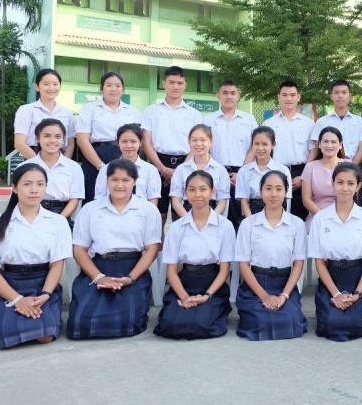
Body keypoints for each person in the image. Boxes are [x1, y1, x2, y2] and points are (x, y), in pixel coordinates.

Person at [0, 164, 71, 350]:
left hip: (42, 285)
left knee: (45, 335)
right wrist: (17, 299)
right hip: (8, 285)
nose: (34, 190)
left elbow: (57, 265)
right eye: (27, 184)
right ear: (14, 188)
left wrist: (45, 294)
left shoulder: (58, 222)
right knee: (4, 335)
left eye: (40, 184)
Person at [66, 159, 161, 339]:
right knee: (80, 322)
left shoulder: (147, 209)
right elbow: (79, 249)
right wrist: (99, 277)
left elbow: (152, 250)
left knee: (127, 321)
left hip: (133, 269)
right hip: (97, 269)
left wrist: (130, 278)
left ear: (135, 182)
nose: (119, 185)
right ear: (107, 180)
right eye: (114, 179)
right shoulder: (90, 209)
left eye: (126, 180)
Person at [153, 171, 236, 340]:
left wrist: (207, 296)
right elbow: (171, 271)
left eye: (203, 189)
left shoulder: (225, 226)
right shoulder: (177, 227)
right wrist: (184, 297)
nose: (197, 194)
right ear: (185, 193)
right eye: (191, 190)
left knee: (201, 324)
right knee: (171, 325)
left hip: (212, 284)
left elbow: (224, 270)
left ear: (212, 192)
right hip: (184, 283)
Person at [308, 163, 362, 341]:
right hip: (332, 280)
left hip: (360, 280)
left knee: (354, 324)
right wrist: (336, 294)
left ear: (358, 186)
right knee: (331, 324)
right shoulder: (320, 219)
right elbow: (320, 263)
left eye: (350, 183)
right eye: (340, 182)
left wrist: (357, 293)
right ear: (332, 183)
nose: (345, 188)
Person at [235, 170, 308, 340]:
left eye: (279, 189)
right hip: (256, 285)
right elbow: (243, 265)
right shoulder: (248, 224)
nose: (273, 194)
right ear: (261, 192)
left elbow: (298, 264)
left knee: (290, 321)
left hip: (284, 284)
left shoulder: (296, 224)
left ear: (286, 192)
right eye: (268, 188)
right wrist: (264, 296)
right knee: (261, 321)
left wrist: (284, 295)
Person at [142, 66, 204, 225]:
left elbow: (196, 145)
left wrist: (181, 170)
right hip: (158, 164)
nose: (175, 86)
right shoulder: (151, 111)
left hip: (186, 164)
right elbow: (146, 142)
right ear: (164, 83)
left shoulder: (194, 114)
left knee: (181, 215)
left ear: (185, 85)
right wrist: (162, 169)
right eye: (171, 82)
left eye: (179, 83)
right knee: (159, 216)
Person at [75, 71, 142, 203]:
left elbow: (138, 139)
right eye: (109, 85)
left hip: (124, 155)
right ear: (102, 88)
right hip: (95, 156)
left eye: (117, 86)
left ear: (123, 89)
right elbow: (82, 140)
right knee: (93, 197)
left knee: (123, 195)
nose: (113, 89)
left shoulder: (132, 111)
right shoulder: (89, 108)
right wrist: (100, 166)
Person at [203, 81, 258, 227]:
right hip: (215, 173)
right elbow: (205, 148)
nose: (229, 96)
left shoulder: (249, 120)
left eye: (233, 93)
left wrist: (241, 173)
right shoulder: (208, 120)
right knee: (216, 220)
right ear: (218, 96)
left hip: (242, 174)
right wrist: (219, 173)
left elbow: (254, 147)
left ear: (238, 96)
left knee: (239, 219)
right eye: (225, 93)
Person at [264, 81, 315, 222]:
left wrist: (303, 176)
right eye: (285, 95)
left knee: (299, 217)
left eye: (292, 95)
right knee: (275, 216)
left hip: (299, 174)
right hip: (275, 173)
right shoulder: (269, 124)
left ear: (298, 97)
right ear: (279, 97)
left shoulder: (308, 124)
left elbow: (313, 151)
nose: (288, 98)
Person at [21, 118, 84, 228]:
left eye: (58, 136)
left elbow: (75, 199)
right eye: (47, 136)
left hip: (62, 216)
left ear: (63, 139)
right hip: (31, 215)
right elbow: (19, 197)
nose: (52, 141)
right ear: (38, 138)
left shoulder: (74, 167)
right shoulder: (25, 167)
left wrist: (59, 220)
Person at [169, 124, 230, 219]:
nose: (198, 144)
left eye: (203, 140)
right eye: (194, 140)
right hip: (187, 214)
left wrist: (211, 220)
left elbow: (222, 201)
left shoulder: (220, 170)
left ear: (211, 142)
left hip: (213, 214)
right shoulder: (181, 170)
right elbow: (176, 201)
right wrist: (189, 220)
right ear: (189, 142)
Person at [14, 69, 76, 159]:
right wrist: (40, 163)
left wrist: (64, 163)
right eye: (46, 84)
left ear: (60, 86)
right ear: (37, 87)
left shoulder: (67, 113)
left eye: (55, 84)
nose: (51, 88)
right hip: (33, 158)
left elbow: (70, 144)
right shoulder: (26, 110)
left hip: (60, 159)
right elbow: (19, 143)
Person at [94, 124, 161, 205]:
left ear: (140, 143)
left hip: (141, 212)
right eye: (124, 141)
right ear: (118, 143)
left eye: (133, 141)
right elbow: (99, 198)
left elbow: (153, 199)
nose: (129, 146)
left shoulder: (151, 170)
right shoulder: (106, 169)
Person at [307, 79, 362, 166]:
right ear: (331, 96)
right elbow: (317, 149)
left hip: (352, 166)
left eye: (344, 92)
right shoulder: (321, 122)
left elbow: (361, 150)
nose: (340, 96)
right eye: (336, 93)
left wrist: (350, 168)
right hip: (326, 166)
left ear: (350, 96)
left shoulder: (359, 121)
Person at [235, 126, 292, 217]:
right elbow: (244, 201)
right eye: (256, 144)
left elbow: (286, 199)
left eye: (265, 144)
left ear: (273, 145)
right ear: (251, 145)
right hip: (251, 213)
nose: (260, 148)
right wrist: (251, 221)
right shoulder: (244, 171)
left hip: (277, 213)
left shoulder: (282, 170)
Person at [301, 126, 350, 231]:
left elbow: (352, 197)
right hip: (317, 217)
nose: (329, 145)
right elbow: (306, 200)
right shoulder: (310, 167)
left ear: (340, 145)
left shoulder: (348, 166)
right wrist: (324, 217)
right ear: (319, 144)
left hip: (344, 218)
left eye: (333, 142)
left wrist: (337, 219)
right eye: (326, 141)